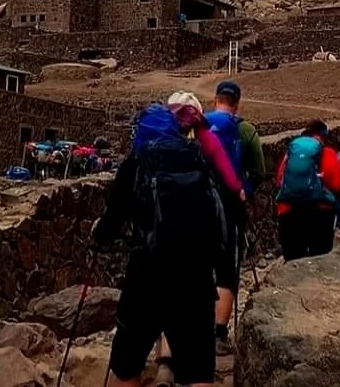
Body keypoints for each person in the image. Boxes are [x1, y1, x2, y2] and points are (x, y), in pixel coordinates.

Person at [93, 102, 225, 387]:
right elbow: (217, 218)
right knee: (199, 372)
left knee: (127, 367)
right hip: (196, 278)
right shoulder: (197, 158)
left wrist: (98, 238)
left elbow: (111, 222)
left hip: (147, 278)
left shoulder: (135, 164)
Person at [156, 92, 244, 387]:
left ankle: (166, 364)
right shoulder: (207, 147)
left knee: (168, 298)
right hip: (200, 244)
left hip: (163, 242)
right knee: (198, 304)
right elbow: (231, 181)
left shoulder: (152, 149)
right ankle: (201, 365)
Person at [204, 81, 265, 356]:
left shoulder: (198, 127)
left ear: (215, 99)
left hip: (199, 205)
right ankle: (219, 333)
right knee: (228, 269)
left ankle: (191, 329)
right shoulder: (246, 131)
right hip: (231, 207)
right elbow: (258, 171)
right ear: (237, 103)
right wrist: (244, 190)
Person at [275, 119, 340, 261]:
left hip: (289, 212)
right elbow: (337, 185)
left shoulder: (290, 154)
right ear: (323, 136)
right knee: (319, 261)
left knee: (292, 261)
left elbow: (279, 182)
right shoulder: (329, 154)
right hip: (320, 213)